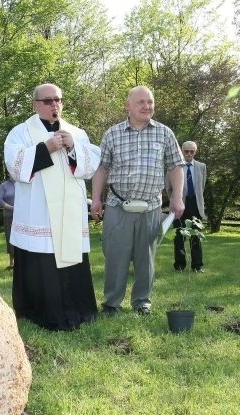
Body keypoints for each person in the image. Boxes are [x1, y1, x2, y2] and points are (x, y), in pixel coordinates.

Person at [3, 83, 100, 330]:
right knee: (42, 263)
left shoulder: (77, 133)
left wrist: (74, 148)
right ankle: (40, 312)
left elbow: (91, 167)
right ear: (35, 105)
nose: (54, 105)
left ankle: (79, 309)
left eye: (57, 100)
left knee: (71, 260)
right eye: (47, 101)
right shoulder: (21, 132)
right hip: (40, 213)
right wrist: (45, 149)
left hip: (70, 212)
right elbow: (15, 166)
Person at [91, 86, 185, 315]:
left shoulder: (164, 133)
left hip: (151, 207)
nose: (147, 106)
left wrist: (178, 198)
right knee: (115, 256)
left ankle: (142, 302)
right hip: (117, 205)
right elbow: (101, 168)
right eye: (141, 102)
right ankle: (112, 303)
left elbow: (176, 167)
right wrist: (96, 199)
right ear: (128, 106)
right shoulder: (112, 133)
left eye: (150, 102)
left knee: (146, 258)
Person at [173, 141, 207, 272]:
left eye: (192, 151)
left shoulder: (201, 166)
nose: (189, 154)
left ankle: (197, 266)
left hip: (195, 205)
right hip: (179, 205)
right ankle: (180, 265)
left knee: (196, 236)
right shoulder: (175, 166)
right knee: (179, 237)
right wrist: (176, 199)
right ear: (182, 151)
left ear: (195, 152)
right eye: (186, 151)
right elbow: (169, 187)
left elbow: (201, 186)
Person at [0, 176, 15, 269]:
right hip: (9, 216)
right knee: (10, 237)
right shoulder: (4, 185)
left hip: (23, 217)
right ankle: (12, 262)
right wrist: (11, 208)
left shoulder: (23, 183)